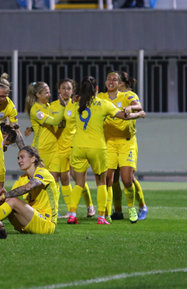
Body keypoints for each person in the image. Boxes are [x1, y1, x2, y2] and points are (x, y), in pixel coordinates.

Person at [67, 76, 145, 225]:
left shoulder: (75, 104)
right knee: (102, 182)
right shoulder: (104, 104)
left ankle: (72, 214)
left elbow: (66, 117)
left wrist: (74, 100)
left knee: (78, 183)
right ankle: (102, 217)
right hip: (97, 147)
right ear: (97, 89)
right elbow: (124, 116)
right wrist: (138, 114)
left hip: (78, 147)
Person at [98, 71, 148, 223]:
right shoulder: (101, 97)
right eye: (109, 79)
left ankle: (140, 206)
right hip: (109, 142)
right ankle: (116, 210)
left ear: (120, 83)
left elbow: (139, 107)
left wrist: (132, 110)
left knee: (128, 179)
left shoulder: (128, 95)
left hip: (127, 141)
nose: (111, 82)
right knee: (110, 179)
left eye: (115, 79)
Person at [50, 79, 95, 218]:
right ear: (58, 90)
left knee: (77, 177)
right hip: (59, 147)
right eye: (63, 88)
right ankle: (66, 210)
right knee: (59, 179)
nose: (65, 91)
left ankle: (90, 206)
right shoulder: (52, 106)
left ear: (72, 91)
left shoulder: (76, 105)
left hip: (74, 145)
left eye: (68, 88)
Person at [0, 146, 59, 234]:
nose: (19, 161)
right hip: (28, 222)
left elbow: (28, 187)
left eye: (22, 157)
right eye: (18, 158)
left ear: (33, 159)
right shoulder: (23, 178)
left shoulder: (43, 173)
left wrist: (3, 196)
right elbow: (8, 198)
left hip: (46, 224)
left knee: (12, 200)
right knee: (5, 200)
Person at [25, 81, 65, 171]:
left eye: (49, 92)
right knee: (41, 180)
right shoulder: (36, 110)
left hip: (54, 149)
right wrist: (63, 107)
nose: (49, 95)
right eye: (46, 93)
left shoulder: (48, 106)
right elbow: (54, 121)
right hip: (42, 150)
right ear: (38, 95)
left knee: (54, 180)